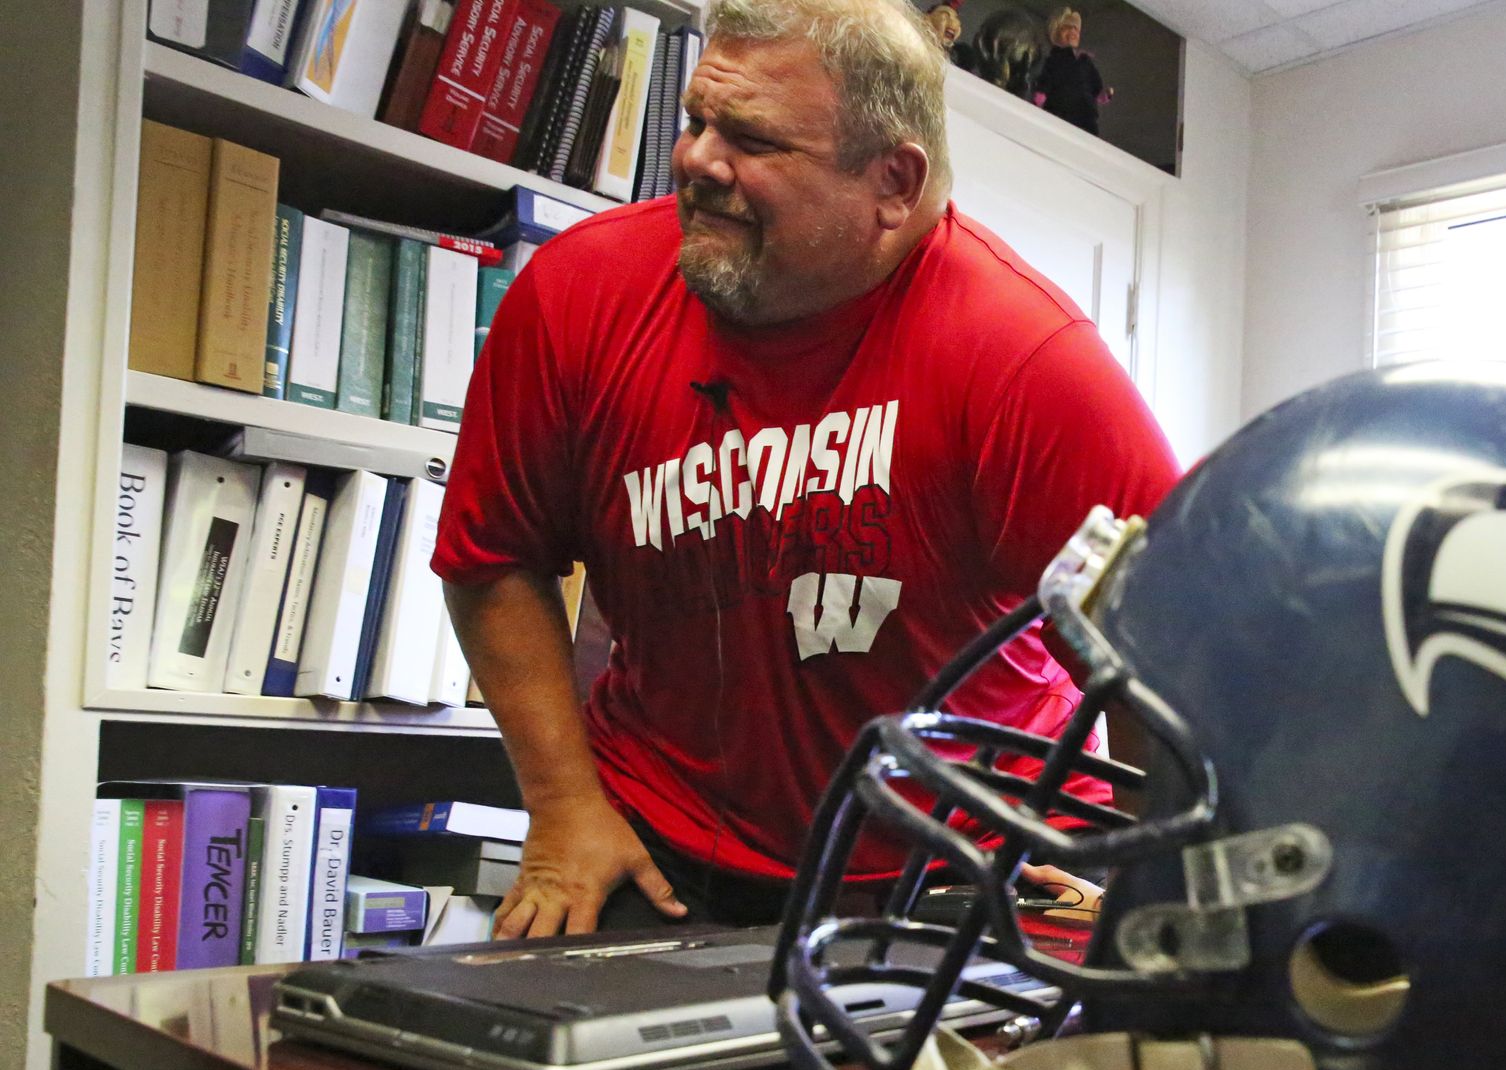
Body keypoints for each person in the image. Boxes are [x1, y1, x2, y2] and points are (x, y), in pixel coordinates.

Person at [432, 0, 1179, 939]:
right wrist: (562, 808)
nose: (697, 161)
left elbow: (1172, 654)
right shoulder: (579, 293)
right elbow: (491, 554)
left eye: (752, 139)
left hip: (972, 859)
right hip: (661, 840)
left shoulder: (1027, 358)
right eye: (698, 120)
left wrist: (1153, 899)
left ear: (893, 182)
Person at [1034, 7, 1107, 135]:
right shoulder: (1054, 59)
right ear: (1056, 33)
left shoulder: (1085, 61)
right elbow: (1047, 78)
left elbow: (1095, 84)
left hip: (1086, 116)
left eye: (1076, 29)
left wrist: (1102, 94)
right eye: (1067, 27)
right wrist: (1041, 95)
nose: (1073, 31)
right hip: (1060, 110)